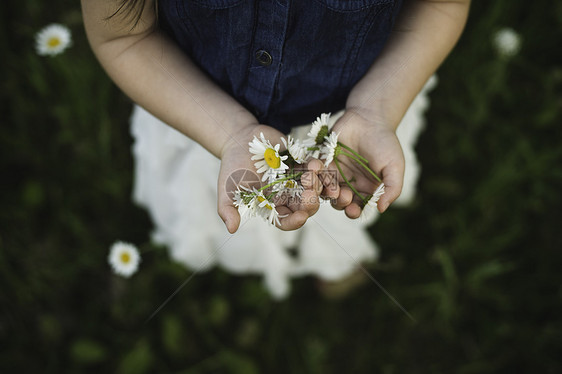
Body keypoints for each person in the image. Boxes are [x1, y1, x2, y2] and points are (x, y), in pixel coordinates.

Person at [81, 0, 470, 298]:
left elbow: (440, 6)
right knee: (227, 214)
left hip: (354, 119)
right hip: (196, 110)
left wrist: (377, 108)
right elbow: (124, 36)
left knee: (343, 204)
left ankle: (332, 258)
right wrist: (230, 134)